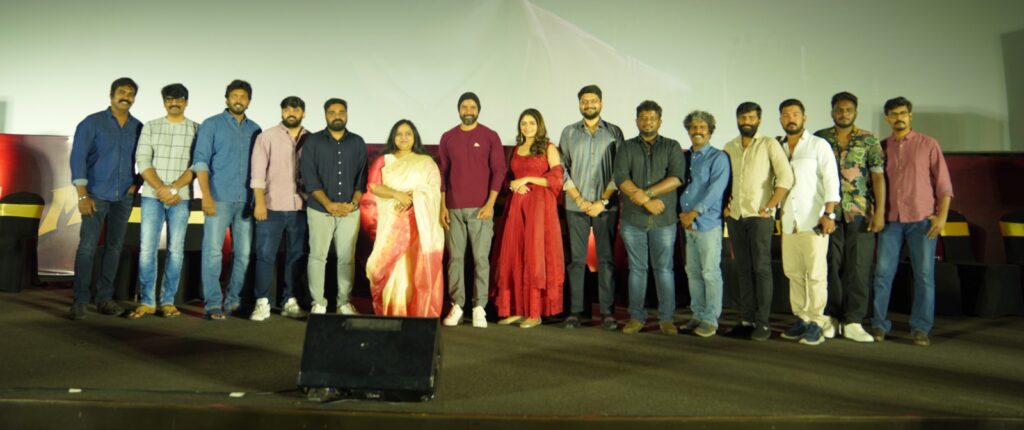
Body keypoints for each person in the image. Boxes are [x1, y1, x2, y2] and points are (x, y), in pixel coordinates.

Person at [871, 96, 954, 347]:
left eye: (903, 113)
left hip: (922, 220)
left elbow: (944, 185)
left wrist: (942, 217)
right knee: (882, 274)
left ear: (910, 116)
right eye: (894, 114)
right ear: (887, 118)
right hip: (891, 221)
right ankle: (879, 324)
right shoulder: (881, 148)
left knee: (924, 276)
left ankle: (920, 328)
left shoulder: (928, 144)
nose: (899, 118)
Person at [68, 77, 143, 320]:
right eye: (122, 92)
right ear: (111, 95)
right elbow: (78, 158)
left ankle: (104, 299)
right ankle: (80, 300)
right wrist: (82, 195)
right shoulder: (92, 123)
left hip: (123, 198)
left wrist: (137, 183)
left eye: (130, 93)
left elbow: (145, 159)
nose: (126, 96)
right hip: (95, 195)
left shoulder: (138, 127)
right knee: (87, 247)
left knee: (114, 248)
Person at [813, 91, 885, 342]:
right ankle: (832, 316)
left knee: (858, 266)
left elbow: (877, 176)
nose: (843, 114)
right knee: (830, 264)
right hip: (828, 213)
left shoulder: (868, 139)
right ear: (832, 111)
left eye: (848, 110)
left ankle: (854, 320)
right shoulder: (820, 138)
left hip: (860, 212)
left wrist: (880, 212)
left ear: (855, 112)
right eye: (839, 110)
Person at [722, 102, 794, 341]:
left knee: (761, 268)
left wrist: (771, 206)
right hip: (736, 216)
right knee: (743, 269)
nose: (747, 122)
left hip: (760, 216)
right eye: (743, 118)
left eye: (751, 118)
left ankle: (763, 323)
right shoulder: (729, 146)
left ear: (759, 120)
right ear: (737, 119)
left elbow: (786, 178)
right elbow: (725, 180)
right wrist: (725, 206)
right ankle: (747, 320)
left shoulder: (769, 144)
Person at [614, 100, 686, 335]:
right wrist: (646, 201)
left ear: (660, 121)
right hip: (633, 220)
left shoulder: (672, 146)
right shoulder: (626, 147)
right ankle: (636, 317)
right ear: (636, 121)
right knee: (637, 270)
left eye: (652, 118)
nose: (647, 122)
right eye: (643, 118)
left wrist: (648, 194)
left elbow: (676, 178)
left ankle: (666, 318)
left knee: (664, 270)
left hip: (663, 220)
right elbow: (621, 178)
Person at [193, 79, 262, 320]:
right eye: (234, 95)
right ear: (226, 99)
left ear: (249, 101)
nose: (238, 100)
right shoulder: (211, 124)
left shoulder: (256, 129)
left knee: (243, 254)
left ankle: (233, 301)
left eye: (243, 96)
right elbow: (201, 161)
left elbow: (260, 168)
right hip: (218, 198)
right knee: (213, 253)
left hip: (246, 202)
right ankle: (213, 304)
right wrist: (206, 196)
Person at [128, 83, 197, 320]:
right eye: (169, 99)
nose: (174, 103)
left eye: (179, 99)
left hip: (181, 197)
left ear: (186, 102)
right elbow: (143, 160)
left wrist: (174, 188)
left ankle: (168, 301)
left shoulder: (197, 129)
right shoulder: (151, 126)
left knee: (176, 250)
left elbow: (197, 164)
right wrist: (161, 189)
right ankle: (147, 301)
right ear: (164, 102)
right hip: (152, 196)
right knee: (147, 249)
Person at [558, 85, 624, 330]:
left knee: (606, 260)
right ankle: (576, 312)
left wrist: (601, 202)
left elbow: (620, 170)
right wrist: (580, 200)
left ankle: (607, 313)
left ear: (601, 103)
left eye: (593, 101)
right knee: (576, 261)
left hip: (605, 207)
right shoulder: (569, 132)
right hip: (576, 207)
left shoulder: (614, 132)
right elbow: (562, 169)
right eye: (584, 101)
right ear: (579, 104)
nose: (589, 105)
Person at [775, 99, 840, 346]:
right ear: (780, 119)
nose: (790, 118)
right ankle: (801, 318)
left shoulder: (818, 145)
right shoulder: (778, 147)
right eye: (786, 114)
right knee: (793, 272)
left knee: (815, 274)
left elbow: (831, 180)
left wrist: (829, 214)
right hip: (789, 221)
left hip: (814, 220)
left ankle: (817, 321)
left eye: (795, 114)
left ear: (804, 118)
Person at [438, 92, 506, 328]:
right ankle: (457, 305)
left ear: (478, 110)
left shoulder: (490, 136)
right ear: (459, 110)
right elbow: (442, 173)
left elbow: (499, 170)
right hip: (453, 209)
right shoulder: (448, 137)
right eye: (464, 107)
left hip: (481, 210)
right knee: (455, 259)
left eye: (472, 107)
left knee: (480, 259)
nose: (468, 110)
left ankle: (479, 308)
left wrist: (490, 204)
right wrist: (442, 206)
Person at [364, 120, 444, 317]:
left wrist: (414, 197)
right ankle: (393, 310)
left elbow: (434, 190)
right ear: (393, 137)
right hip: (391, 223)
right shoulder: (384, 160)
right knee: (382, 267)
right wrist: (397, 195)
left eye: (408, 133)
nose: (404, 137)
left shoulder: (426, 162)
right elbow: (374, 187)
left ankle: (418, 312)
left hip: (419, 225)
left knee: (414, 265)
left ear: (414, 136)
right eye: (399, 134)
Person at [494, 109, 565, 329]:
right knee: (515, 254)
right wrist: (514, 184)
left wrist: (527, 179)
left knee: (535, 256)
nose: (527, 127)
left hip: (540, 208)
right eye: (523, 123)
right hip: (517, 207)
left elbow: (557, 178)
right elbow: (509, 179)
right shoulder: (516, 149)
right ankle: (516, 309)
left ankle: (535, 313)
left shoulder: (548, 147)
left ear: (539, 125)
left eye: (532, 123)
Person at [300, 98, 367, 315]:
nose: (337, 116)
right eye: (332, 112)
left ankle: (343, 302)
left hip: (349, 211)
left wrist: (352, 204)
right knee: (318, 256)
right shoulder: (313, 142)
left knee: (346, 258)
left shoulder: (357, 142)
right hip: (320, 210)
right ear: (325, 115)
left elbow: (361, 179)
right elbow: (309, 178)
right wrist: (328, 204)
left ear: (346, 114)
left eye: (341, 112)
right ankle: (318, 303)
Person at [249, 96, 309, 321]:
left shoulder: (312, 139)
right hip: (271, 206)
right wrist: (259, 202)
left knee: (297, 255)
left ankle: (289, 300)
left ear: (303, 113)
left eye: (296, 109)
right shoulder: (267, 137)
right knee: (265, 255)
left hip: (301, 208)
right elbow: (257, 173)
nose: (291, 113)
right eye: (287, 109)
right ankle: (262, 302)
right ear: (282, 112)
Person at [677, 110, 730, 337]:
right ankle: (697, 315)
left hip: (707, 224)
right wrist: (683, 215)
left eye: (702, 127)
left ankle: (710, 319)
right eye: (693, 127)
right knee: (693, 272)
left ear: (710, 131)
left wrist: (694, 213)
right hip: (687, 224)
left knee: (710, 272)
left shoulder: (718, 158)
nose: (697, 131)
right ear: (688, 130)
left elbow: (715, 190)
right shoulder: (685, 157)